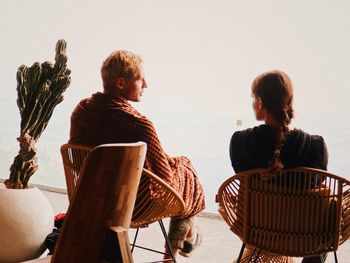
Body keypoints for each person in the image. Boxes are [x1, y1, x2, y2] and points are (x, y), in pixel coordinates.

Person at [69, 50, 205, 259]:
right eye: (141, 79)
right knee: (187, 173)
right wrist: (179, 163)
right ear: (121, 83)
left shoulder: (82, 112)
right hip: (132, 206)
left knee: (181, 167)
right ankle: (177, 247)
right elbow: (165, 181)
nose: (146, 85)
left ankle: (188, 236)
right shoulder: (139, 125)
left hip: (91, 201)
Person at [229, 70, 328, 263]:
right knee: (324, 205)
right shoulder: (315, 146)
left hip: (256, 230)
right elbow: (317, 186)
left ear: (260, 102)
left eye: (252, 97)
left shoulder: (240, 143)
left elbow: (241, 179)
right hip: (304, 237)